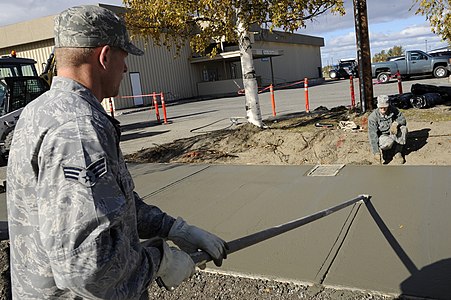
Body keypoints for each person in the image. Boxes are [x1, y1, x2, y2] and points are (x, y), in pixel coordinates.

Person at [6, 5, 227, 299]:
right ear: (105, 56)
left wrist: (174, 228)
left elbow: (111, 203)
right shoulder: (79, 129)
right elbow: (87, 270)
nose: (125, 68)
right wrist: (159, 262)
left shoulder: (39, 111)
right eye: (123, 58)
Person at [368, 95, 408, 164]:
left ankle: (398, 152)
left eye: (385, 107)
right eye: (381, 108)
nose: (383, 109)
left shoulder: (393, 110)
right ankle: (386, 152)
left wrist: (396, 123)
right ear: (378, 106)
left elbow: (403, 119)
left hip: (392, 133)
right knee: (388, 142)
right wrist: (376, 152)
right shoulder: (373, 117)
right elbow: (373, 135)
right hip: (383, 137)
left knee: (404, 129)